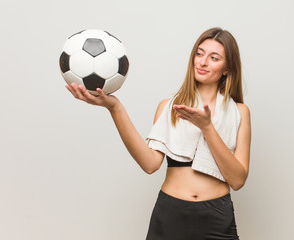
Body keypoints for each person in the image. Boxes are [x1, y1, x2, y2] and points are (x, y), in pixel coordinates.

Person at [66, 27, 251, 240]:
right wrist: (115, 108)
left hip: (217, 219)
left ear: (227, 68)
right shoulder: (168, 107)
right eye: (199, 54)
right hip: (171, 215)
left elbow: (237, 180)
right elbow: (150, 164)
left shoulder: (240, 113)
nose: (202, 62)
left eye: (214, 57)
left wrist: (207, 128)